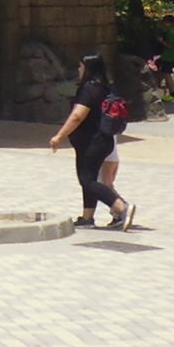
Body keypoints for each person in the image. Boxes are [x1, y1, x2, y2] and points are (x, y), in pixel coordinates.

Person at [48, 52, 134, 230]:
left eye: (81, 66)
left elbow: (78, 116)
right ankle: (87, 218)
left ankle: (120, 206)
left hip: (91, 143)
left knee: (87, 181)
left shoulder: (88, 89)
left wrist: (59, 136)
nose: (79, 69)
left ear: (88, 68)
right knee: (89, 178)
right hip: (102, 141)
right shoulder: (105, 88)